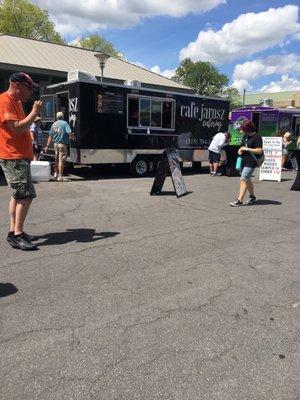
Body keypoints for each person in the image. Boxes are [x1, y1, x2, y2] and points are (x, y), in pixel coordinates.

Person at [0, 72, 43, 250]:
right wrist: (33, 113)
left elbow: (20, 126)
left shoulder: (16, 102)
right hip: (13, 156)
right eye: (29, 88)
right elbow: (16, 129)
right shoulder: (5, 100)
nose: (30, 92)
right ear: (18, 85)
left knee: (17, 195)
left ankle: (14, 231)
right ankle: (17, 235)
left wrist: (31, 117)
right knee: (26, 196)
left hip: (18, 155)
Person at [229, 120, 263, 207]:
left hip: (251, 162)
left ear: (248, 129)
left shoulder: (257, 137)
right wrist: (240, 149)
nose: (242, 131)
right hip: (243, 160)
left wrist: (247, 149)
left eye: (243, 129)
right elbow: (242, 146)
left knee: (243, 179)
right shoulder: (245, 136)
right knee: (247, 179)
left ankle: (239, 200)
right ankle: (252, 196)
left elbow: (259, 150)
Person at [45, 111, 75, 181]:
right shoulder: (65, 123)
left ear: (56, 117)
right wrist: (73, 137)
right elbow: (69, 133)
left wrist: (47, 146)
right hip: (62, 144)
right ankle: (60, 176)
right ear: (63, 117)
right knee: (61, 160)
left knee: (56, 159)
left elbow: (50, 136)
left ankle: (56, 173)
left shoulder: (54, 124)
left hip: (55, 144)